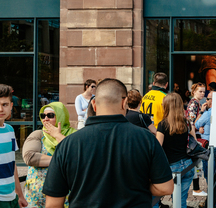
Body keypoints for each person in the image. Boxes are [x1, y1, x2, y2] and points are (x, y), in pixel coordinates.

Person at [42, 78, 174, 207]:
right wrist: (141, 186)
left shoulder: (68, 144)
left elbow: (53, 203)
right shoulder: (146, 139)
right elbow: (166, 187)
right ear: (125, 103)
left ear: (94, 105)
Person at [22, 102, 76, 207]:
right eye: (43, 116)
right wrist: (62, 160)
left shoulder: (74, 135)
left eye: (50, 115)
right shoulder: (38, 134)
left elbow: (77, 156)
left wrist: (58, 136)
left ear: (61, 116)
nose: (45, 119)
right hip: (37, 196)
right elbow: (30, 157)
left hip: (66, 195)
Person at [156, 93, 196, 208]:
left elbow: (158, 147)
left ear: (166, 106)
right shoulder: (186, 123)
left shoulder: (163, 124)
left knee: (157, 197)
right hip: (188, 166)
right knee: (180, 199)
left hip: (172, 167)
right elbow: (194, 142)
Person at [0, 84, 27, 208]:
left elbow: (12, 164)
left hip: (12, 197)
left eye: (4, 105)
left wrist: (20, 195)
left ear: (11, 106)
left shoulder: (10, 130)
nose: (1, 109)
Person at [186, 82, 207, 197]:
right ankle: (196, 189)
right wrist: (195, 139)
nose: (203, 93)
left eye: (204, 91)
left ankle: (196, 188)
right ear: (194, 92)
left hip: (195, 135)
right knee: (196, 163)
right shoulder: (194, 103)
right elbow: (191, 123)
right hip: (194, 136)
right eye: (200, 91)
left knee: (197, 163)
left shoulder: (196, 103)